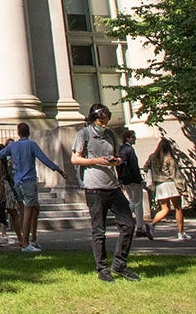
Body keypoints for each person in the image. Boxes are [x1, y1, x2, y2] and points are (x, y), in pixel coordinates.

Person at [72, 103, 139, 283]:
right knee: (99, 230)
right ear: (94, 120)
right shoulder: (83, 134)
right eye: (101, 122)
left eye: (106, 122)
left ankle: (120, 264)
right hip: (94, 188)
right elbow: (75, 159)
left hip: (113, 186)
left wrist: (115, 161)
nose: (104, 125)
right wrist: (97, 161)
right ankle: (102, 268)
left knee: (128, 224)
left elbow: (117, 156)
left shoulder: (110, 135)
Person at [0, 122, 66, 252]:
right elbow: (44, 159)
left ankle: (33, 239)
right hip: (28, 182)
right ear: (28, 132)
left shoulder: (13, 146)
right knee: (28, 211)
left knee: (34, 209)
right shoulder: (31, 145)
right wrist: (58, 170)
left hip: (18, 183)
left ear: (18, 132)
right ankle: (25, 242)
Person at [147, 138, 190, 240]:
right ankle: (181, 232)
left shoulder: (152, 158)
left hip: (160, 185)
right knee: (178, 208)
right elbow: (176, 175)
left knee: (164, 209)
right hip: (170, 184)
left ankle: (152, 225)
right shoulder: (169, 159)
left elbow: (146, 167)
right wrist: (183, 189)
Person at [118, 129, 152, 239]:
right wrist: (139, 180)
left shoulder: (121, 149)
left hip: (125, 179)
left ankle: (123, 219)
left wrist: (121, 178)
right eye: (133, 137)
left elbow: (119, 166)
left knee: (132, 201)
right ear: (128, 138)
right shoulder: (129, 150)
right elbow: (133, 167)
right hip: (133, 180)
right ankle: (139, 226)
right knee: (138, 203)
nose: (135, 139)